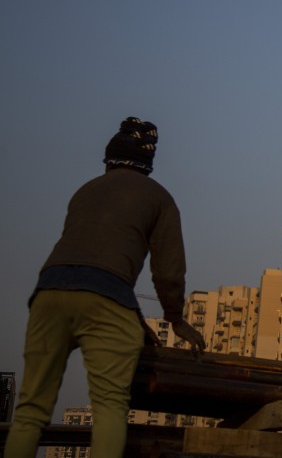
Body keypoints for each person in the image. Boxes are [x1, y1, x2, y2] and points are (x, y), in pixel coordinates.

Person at [4, 117, 205, 458]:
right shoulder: (159, 198)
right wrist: (174, 318)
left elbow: (88, 262)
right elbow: (168, 271)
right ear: (148, 163)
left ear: (109, 159)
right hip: (107, 298)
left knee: (30, 409)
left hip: (49, 292)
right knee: (110, 406)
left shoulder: (85, 190)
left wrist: (134, 320)